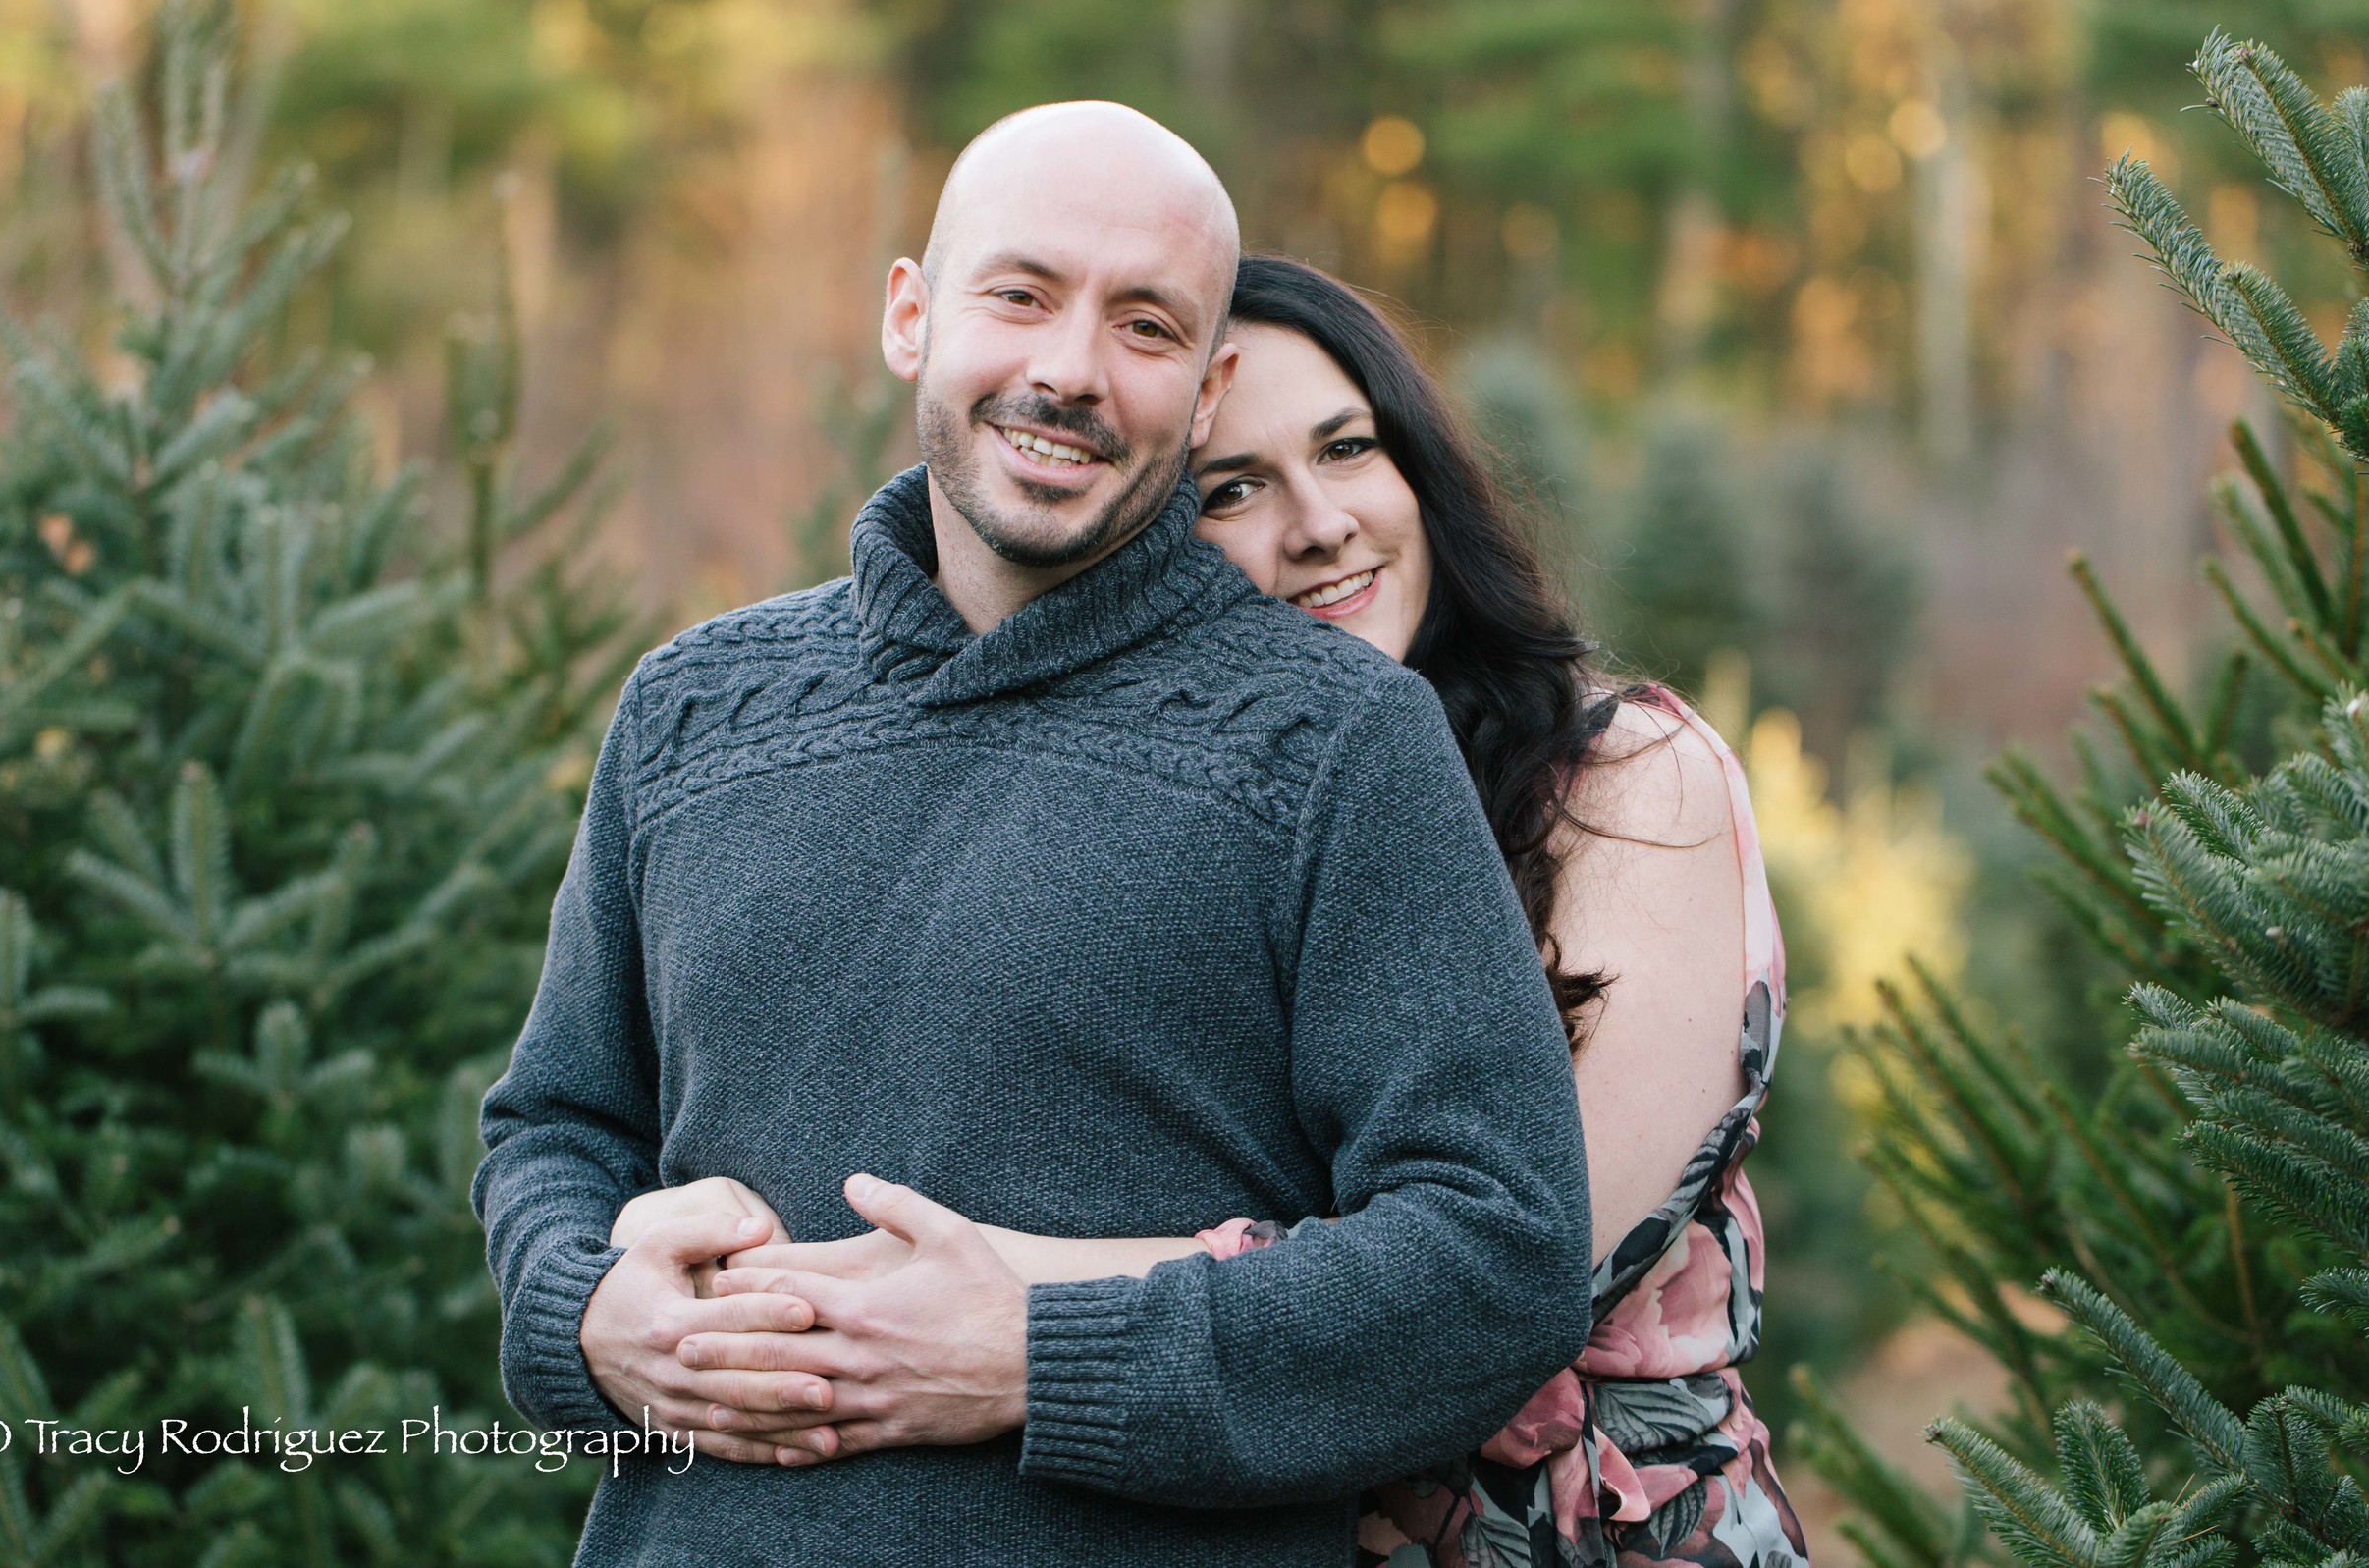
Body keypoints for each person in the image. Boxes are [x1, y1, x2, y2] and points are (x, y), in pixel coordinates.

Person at [469, 107, 1595, 1568]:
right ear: (910, 315)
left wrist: (1037, 1358)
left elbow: (1495, 1258)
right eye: (1021, 294)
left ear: (1206, 394)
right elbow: (554, 1126)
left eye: (1144, 324)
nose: (1068, 371)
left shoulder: (1336, 744)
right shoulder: (694, 708)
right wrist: (585, 1315)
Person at [621, 255, 1810, 1568]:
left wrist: (997, 1301)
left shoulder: (1633, 778)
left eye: (1350, 450)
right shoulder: (1203, 819)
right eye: (1234, 489)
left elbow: (1528, 1259)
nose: (1317, 523)